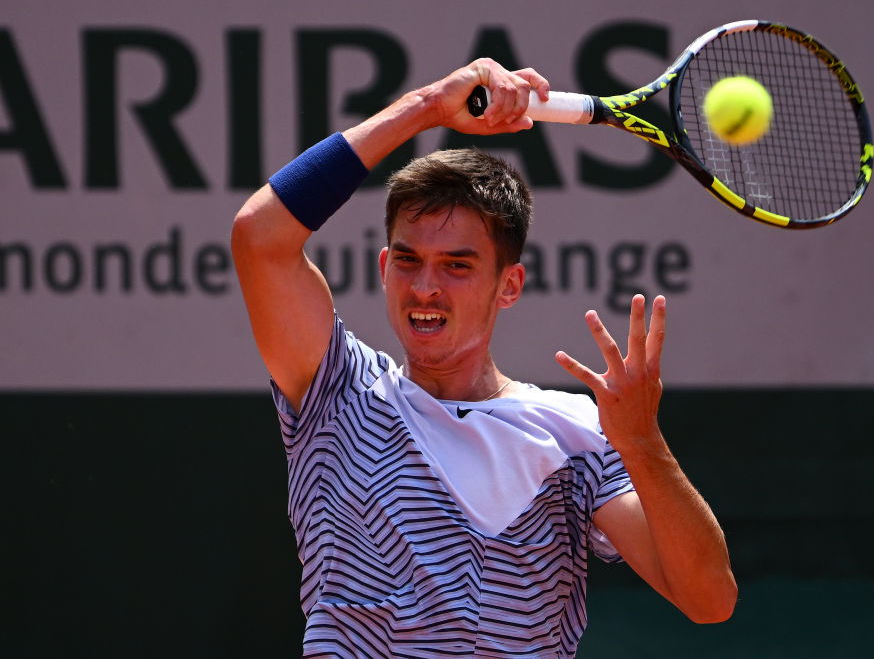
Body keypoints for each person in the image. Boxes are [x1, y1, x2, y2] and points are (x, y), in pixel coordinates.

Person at [231, 58, 736, 657]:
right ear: (386, 269)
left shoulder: (577, 434)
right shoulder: (335, 392)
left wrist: (643, 444)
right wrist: (426, 108)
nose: (426, 287)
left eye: (458, 265)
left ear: (510, 285)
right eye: (410, 260)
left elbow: (710, 601)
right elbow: (259, 236)